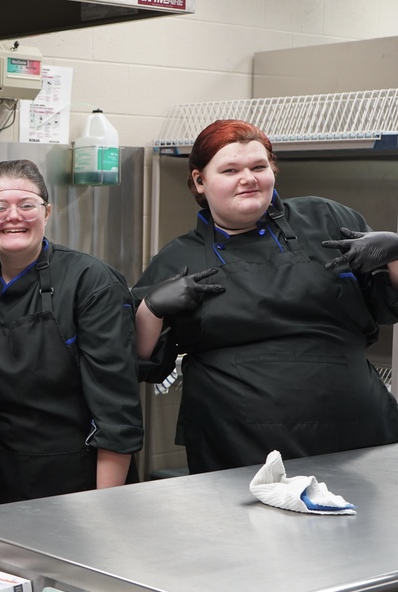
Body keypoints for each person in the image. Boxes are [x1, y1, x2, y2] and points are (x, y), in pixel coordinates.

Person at [133, 118, 398, 474]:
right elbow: (141, 362)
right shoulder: (178, 258)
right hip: (237, 446)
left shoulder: (326, 219)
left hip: (359, 435)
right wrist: (150, 309)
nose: (248, 178)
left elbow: (389, 305)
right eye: (230, 169)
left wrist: (395, 253)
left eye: (259, 166)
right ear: (199, 180)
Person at [0, 159, 143, 503]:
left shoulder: (90, 281)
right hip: (0, 482)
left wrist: (104, 509)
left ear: (47, 212)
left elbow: (115, 410)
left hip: (80, 482)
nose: (13, 216)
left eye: (27, 205)